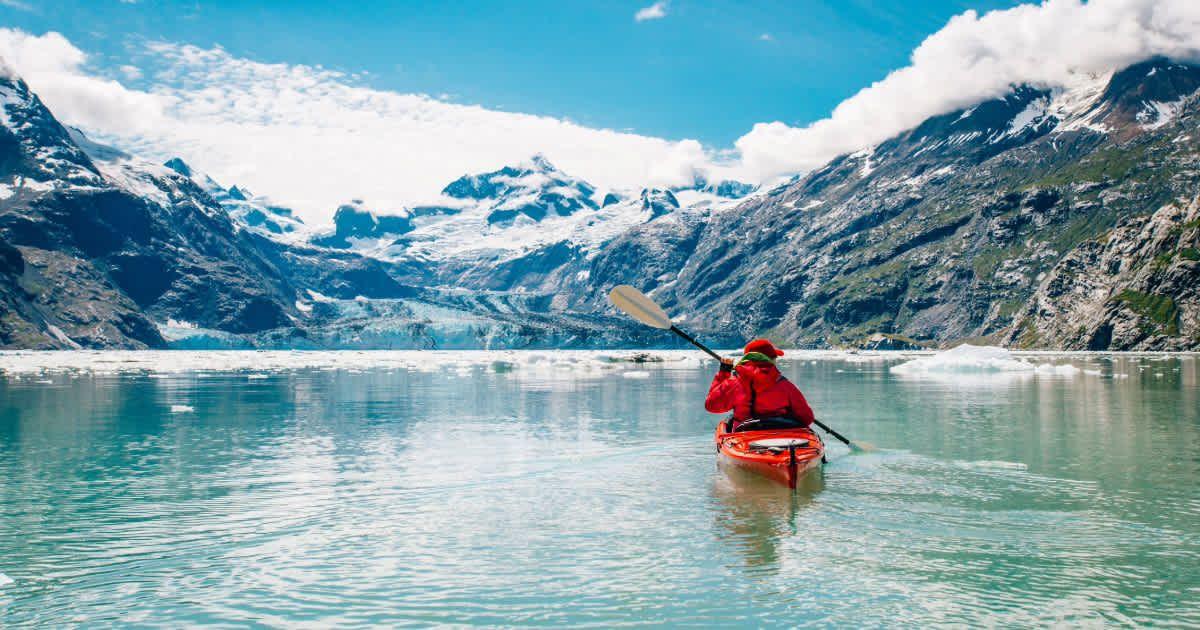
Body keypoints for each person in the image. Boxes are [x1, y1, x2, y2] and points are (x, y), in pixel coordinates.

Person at [705, 338, 815, 431]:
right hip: (782, 437)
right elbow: (807, 418)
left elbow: (712, 405)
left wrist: (723, 374)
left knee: (729, 420)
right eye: (774, 358)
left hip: (744, 437)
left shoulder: (734, 382)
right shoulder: (785, 385)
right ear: (770, 360)